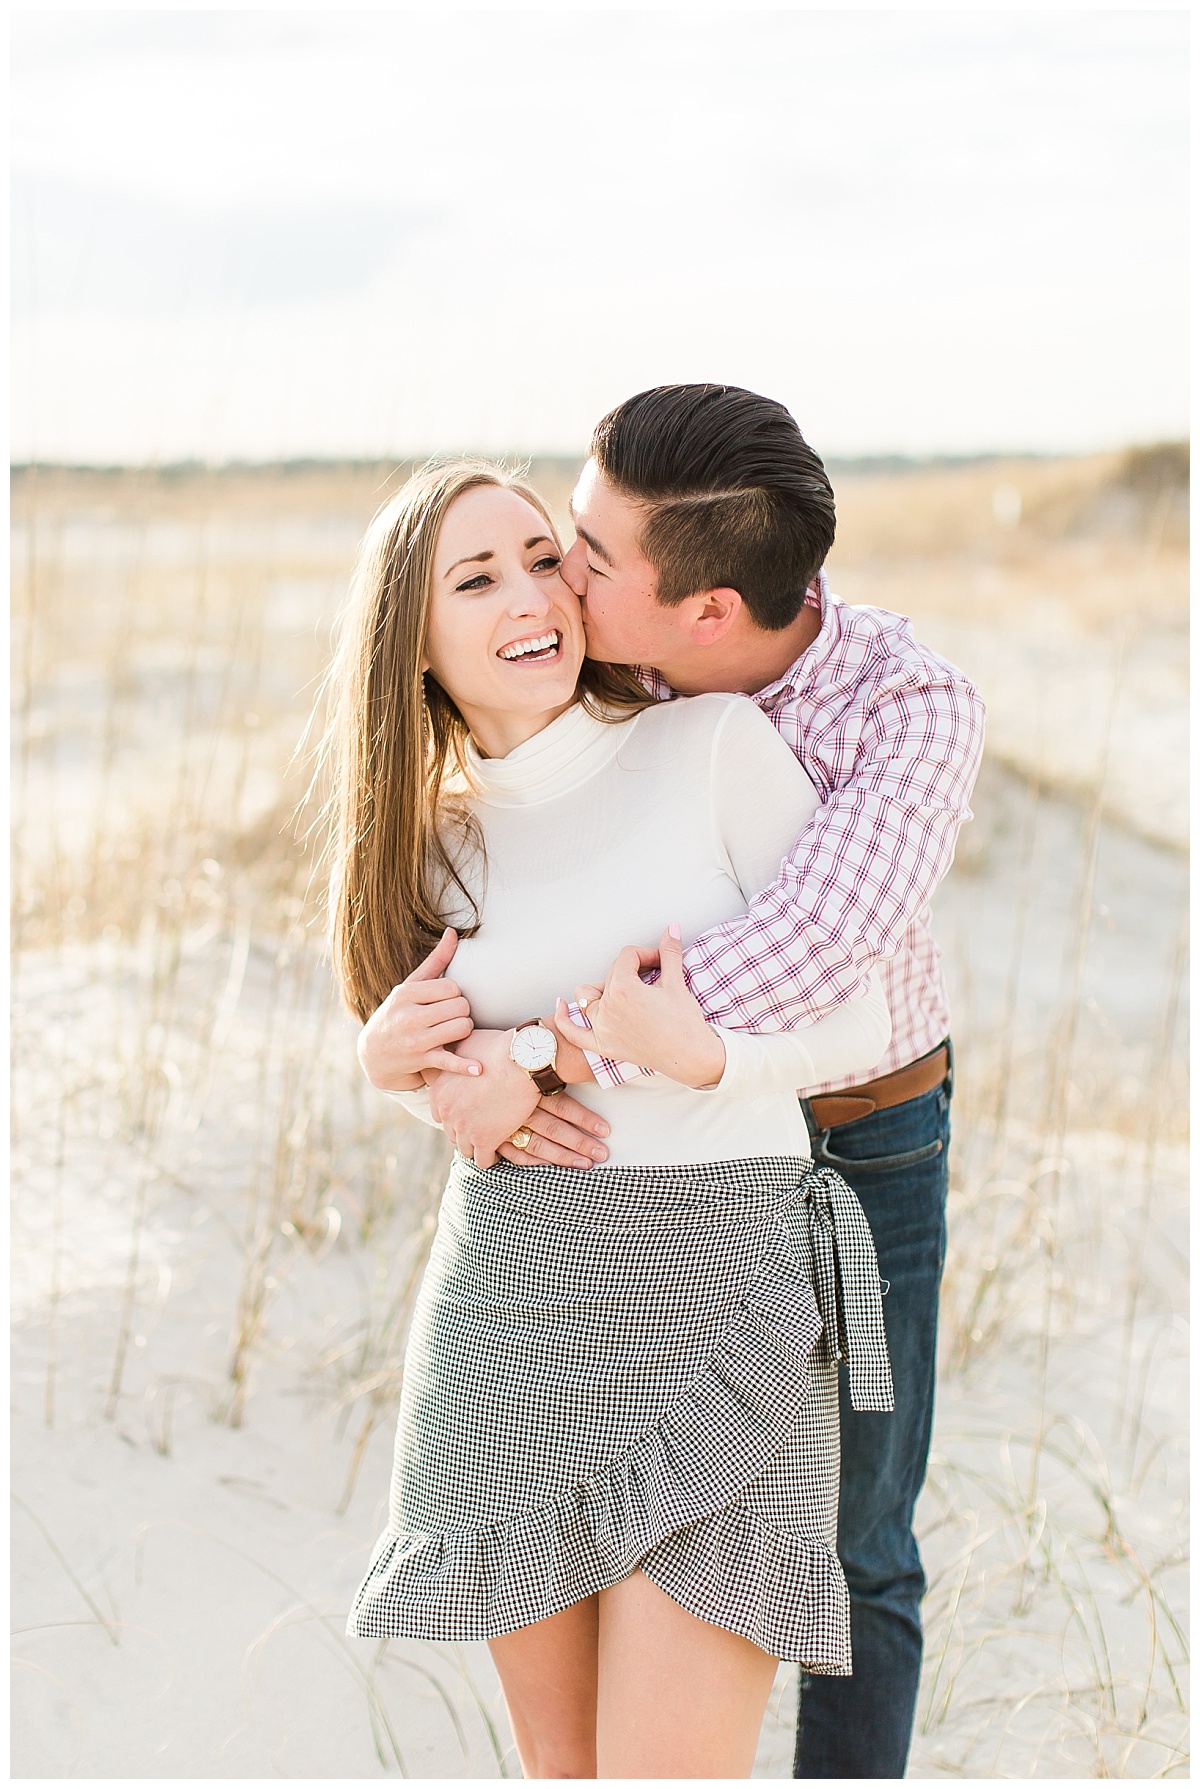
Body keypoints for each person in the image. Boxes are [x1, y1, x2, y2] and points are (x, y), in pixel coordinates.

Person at [358, 386, 986, 1779]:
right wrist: (420, 1071)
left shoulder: (855, 714)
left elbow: (822, 962)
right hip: (536, 1296)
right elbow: (428, 1035)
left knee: (860, 1547)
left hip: (845, 1157)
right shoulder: (489, 787)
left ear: (703, 613)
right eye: (518, 559)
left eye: (569, 557)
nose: (553, 585)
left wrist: (558, 1047)